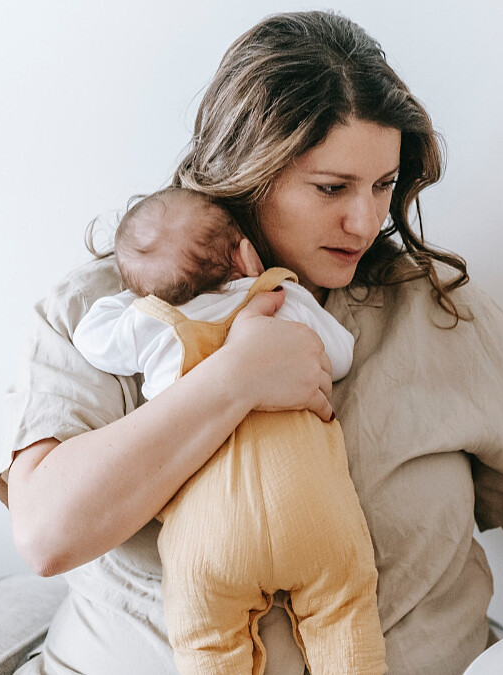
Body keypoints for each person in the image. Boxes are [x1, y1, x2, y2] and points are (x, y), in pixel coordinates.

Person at [0, 10, 503, 675]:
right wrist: (234, 381)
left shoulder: (435, 312)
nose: (365, 221)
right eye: (331, 188)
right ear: (245, 173)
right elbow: (48, 532)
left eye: (383, 185)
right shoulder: (107, 313)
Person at [71, 186, 385, 675]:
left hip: (210, 536)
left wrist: (139, 297)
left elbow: (91, 337)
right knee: (344, 614)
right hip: (310, 510)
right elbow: (339, 353)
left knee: (207, 643)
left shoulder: (154, 323)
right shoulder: (280, 298)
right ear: (245, 251)